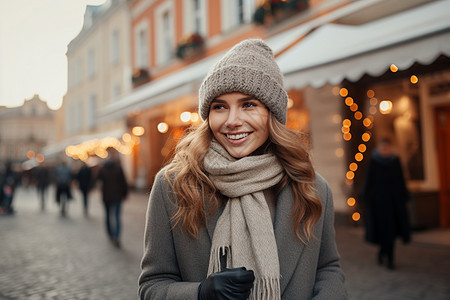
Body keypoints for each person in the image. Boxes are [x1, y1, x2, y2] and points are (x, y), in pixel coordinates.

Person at [138, 39, 347, 299]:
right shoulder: (173, 185)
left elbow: (327, 268)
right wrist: (200, 293)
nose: (232, 121)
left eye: (249, 104)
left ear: (272, 113)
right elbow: (153, 284)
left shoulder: (310, 186)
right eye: (219, 107)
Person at [360, 137, 411, 270]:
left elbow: (401, 181)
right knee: (383, 230)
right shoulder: (373, 162)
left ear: (390, 148)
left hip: (394, 203)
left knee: (392, 231)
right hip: (379, 204)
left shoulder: (395, 161)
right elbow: (368, 181)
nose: (385, 150)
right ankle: (383, 251)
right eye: (382, 148)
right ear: (378, 148)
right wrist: (365, 199)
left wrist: (405, 198)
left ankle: (390, 257)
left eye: (387, 147)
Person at [97, 148, 128, 248]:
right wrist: (124, 194)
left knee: (107, 215)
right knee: (117, 216)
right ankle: (117, 235)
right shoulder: (118, 168)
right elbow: (123, 182)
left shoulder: (102, 169)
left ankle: (110, 233)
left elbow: (98, 181)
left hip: (106, 196)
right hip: (117, 195)